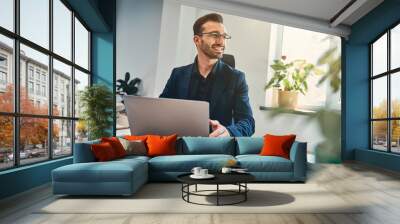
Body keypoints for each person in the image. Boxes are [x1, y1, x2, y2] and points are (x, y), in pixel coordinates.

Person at [160, 13, 254, 137]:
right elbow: (161, 111)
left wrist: (228, 132)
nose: (221, 42)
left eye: (224, 36)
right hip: (181, 144)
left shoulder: (236, 78)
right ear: (197, 40)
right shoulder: (178, 74)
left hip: (216, 148)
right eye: (215, 35)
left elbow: (248, 122)